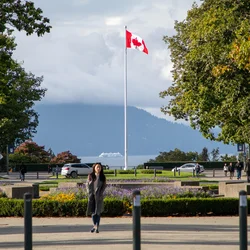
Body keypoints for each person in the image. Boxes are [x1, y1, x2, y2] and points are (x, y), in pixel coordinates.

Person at [86, 163, 106, 233]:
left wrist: (100, 193)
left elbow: (104, 186)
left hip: (99, 196)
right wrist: (89, 192)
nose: (98, 168)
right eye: (97, 167)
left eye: (99, 167)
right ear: (94, 168)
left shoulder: (102, 177)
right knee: (93, 212)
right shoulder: (90, 176)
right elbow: (87, 185)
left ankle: (96, 227)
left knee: (98, 212)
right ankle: (95, 226)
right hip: (92, 196)